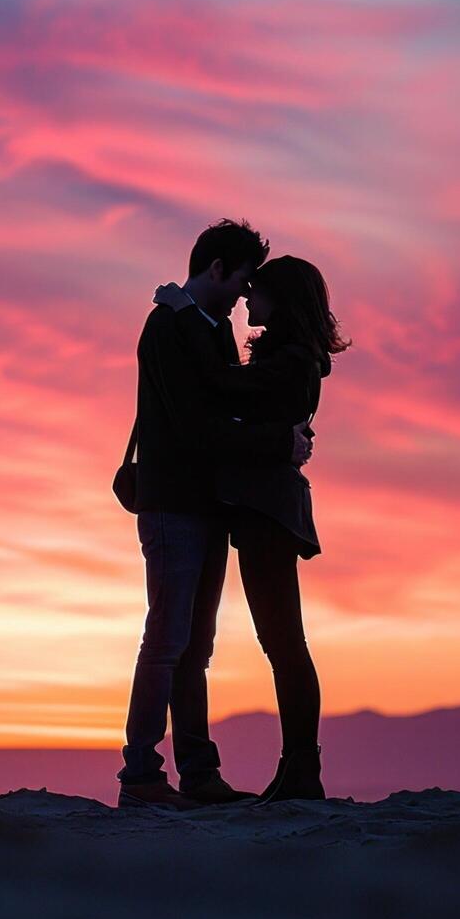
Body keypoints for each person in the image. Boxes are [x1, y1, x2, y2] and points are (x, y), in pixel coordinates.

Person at [116, 220, 314, 810]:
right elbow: (198, 427)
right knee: (167, 640)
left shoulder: (206, 328)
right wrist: (279, 443)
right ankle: (141, 776)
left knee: (193, 646)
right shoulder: (167, 328)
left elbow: (226, 406)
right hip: (172, 504)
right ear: (219, 268)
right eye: (243, 280)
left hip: (206, 507)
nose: (245, 295)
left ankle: (198, 774)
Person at [153, 254, 351, 803]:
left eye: (257, 290)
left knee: (284, 642)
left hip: (267, 513)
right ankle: (299, 769)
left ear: (282, 300)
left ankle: (301, 769)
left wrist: (185, 311)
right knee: (283, 642)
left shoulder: (291, 362)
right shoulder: (291, 358)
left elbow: (220, 387)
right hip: (265, 511)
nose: (246, 299)